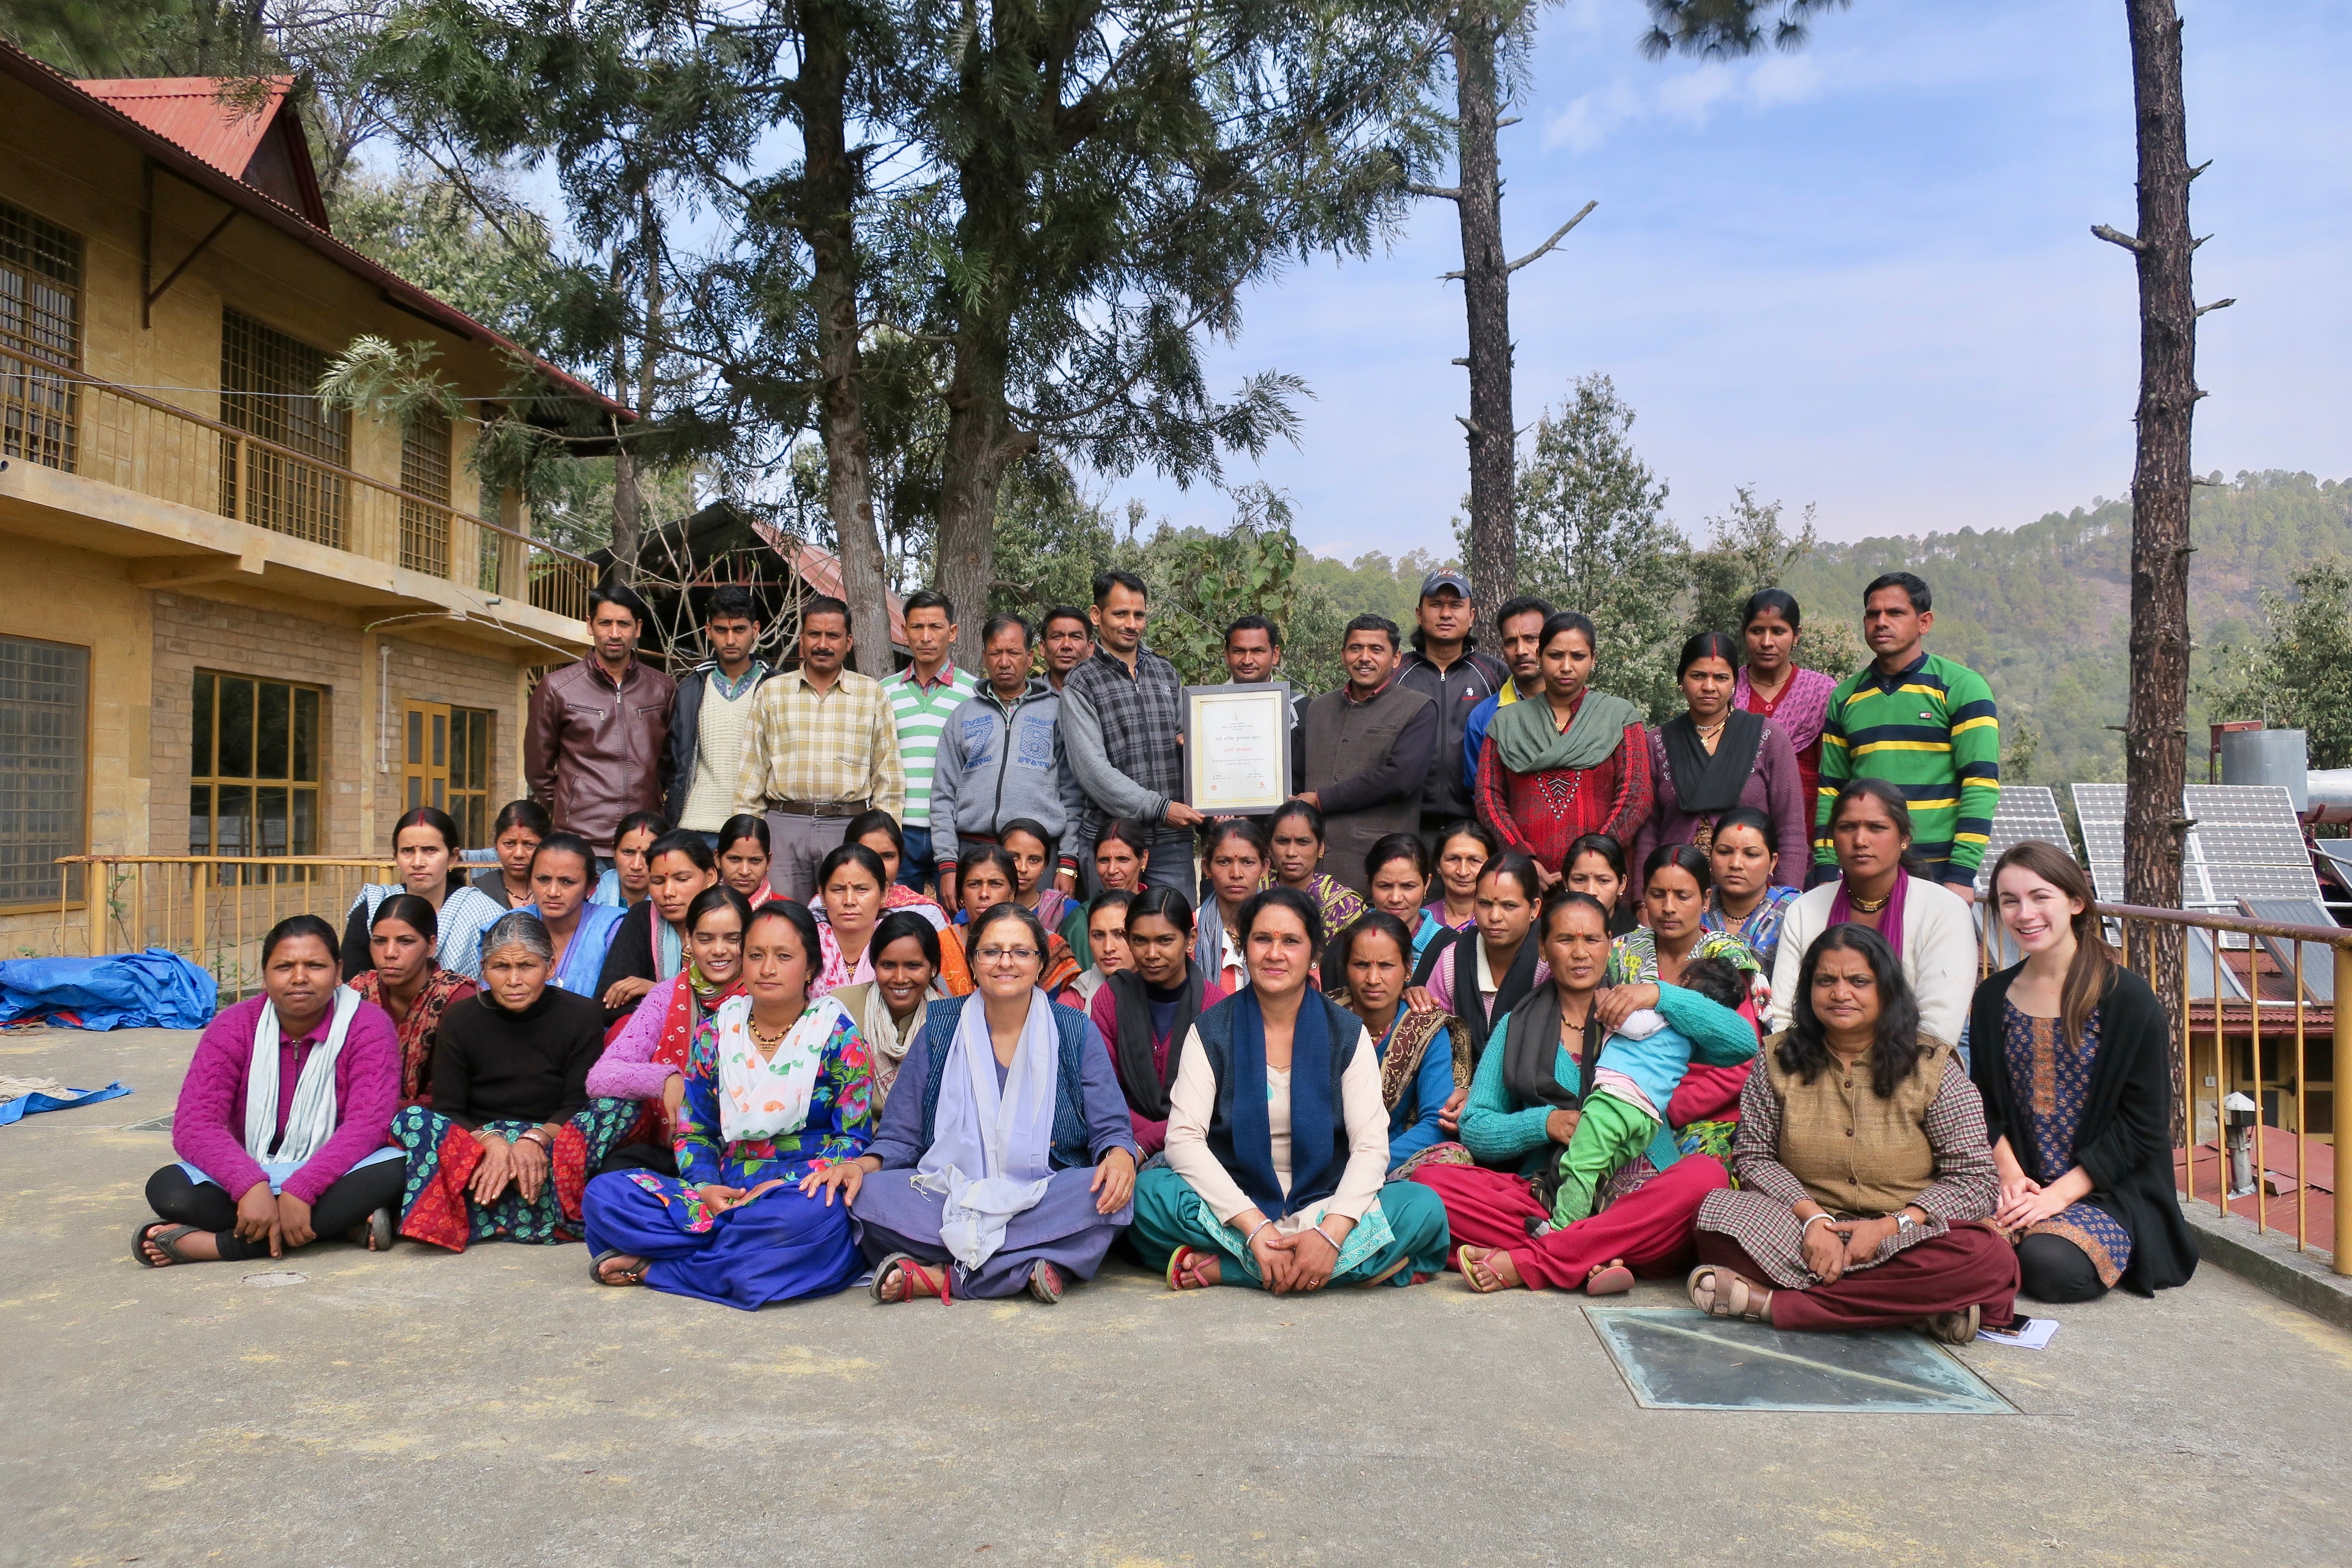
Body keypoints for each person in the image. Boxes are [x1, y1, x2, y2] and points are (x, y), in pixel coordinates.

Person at [1690, 923, 2018, 1340]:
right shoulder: (1777, 1059)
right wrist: (1814, 1222)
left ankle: (1775, 1305)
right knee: (1716, 1217)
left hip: (1905, 1234)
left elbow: (1975, 1179)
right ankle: (1913, 1311)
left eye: (1859, 981)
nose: (1840, 993)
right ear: (1809, 990)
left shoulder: (1931, 1066)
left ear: (1887, 990)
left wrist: (1888, 1226)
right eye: (1826, 980)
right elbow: (1754, 1157)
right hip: (1801, 1229)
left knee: (1988, 1257)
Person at [1129, 888, 1452, 1292]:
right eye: (1263, 939)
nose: (1275, 953)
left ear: (1314, 954)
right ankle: (1325, 1267)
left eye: (1291, 941)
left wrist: (1330, 1235)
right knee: (1148, 1197)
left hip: (1325, 1202)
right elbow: (1183, 1141)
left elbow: (1371, 1146)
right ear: (1244, 948)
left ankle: (1224, 1270)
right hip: (1237, 1204)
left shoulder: (1347, 1034)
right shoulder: (1211, 1032)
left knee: (1424, 1210)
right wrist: (1254, 1227)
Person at [1427, 890, 1743, 1294]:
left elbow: (1739, 1045)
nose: (1580, 953)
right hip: (1550, 1194)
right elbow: (1476, 1127)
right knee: (1434, 1183)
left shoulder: (1648, 1014)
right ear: (1543, 948)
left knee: (1705, 1175)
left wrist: (1661, 994)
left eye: (1592, 940)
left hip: (1639, 1199)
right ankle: (1588, 1254)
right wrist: (1547, 1123)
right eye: (1565, 940)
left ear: (1609, 945)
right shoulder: (1514, 1027)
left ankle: (1538, 1257)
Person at [822, 902, 1139, 1304]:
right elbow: (899, 1136)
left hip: (1044, 1189)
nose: (1005, 962)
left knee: (1108, 1195)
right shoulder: (939, 1025)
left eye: (1021, 952)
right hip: (950, 1192)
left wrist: (1120, 1155)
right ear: (973, 962)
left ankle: (943, 1277)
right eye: (991, 951)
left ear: (1041, 964)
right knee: (867, 1195)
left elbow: (1111, 1128)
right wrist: (857, 1167)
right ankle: (1026, 1266)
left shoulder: (1075, 1029)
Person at [580, 902, 876, 1307]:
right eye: (756, 955)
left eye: (783, 957)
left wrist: (783, 1187)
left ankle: (660, 1267)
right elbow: (695, 1130)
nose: (767, 968)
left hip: (796, 1194)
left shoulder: (838, 1037)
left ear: (810, 968)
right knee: (604, 1196)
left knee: (810, 1221)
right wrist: (704, 1187)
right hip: (724, 1193)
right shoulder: (715, 1034)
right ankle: (734, 1259)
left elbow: (853, 1139)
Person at [1972, 842, 2197, 1301]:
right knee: (1936, 1236)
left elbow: (2143, 1127)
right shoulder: (1993, 996)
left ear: (2076, 902)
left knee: (2050, 1267)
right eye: (2010, 901)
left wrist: (2056, 1199)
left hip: (2108, 1192)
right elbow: (1983, 1103)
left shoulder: (2128, 1000)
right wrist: (2012, 1178)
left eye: (2040, 897)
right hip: (2019, 1184)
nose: (2024, 913)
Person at [135, 916, 402, 1266]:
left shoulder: (368, 1025)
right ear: (264, 975)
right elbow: (195, 1126)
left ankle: (218, 1246)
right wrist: (249, 1185)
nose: (300, 978)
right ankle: (341, 1226)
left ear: (338, 971)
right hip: (251, 1170)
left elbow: (367, 1125)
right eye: (285, 967)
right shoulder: (232, 1026)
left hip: (337, 1174)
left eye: (315, 965)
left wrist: (302, 1190)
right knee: (169, 1189)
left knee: (400, 1168)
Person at [386, 912, 639, 1250]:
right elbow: (449, 1107)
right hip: (479, 1143)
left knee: (618, 1107)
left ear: (550, 967)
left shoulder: (581, 1014)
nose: (514, 980)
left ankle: (477, 1215)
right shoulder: (460, 1018)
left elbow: (577, 1103)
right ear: (483, 969)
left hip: (550, 1141)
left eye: (527, 966)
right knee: (411, 1119)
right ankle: (531, 1217)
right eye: (501, 967)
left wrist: (533, 1140)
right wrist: (493, 1143)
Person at [1816, 572, 1999, 900]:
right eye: (1873, 614)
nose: (1881, 622)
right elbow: (1832, 790)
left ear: (1924, 622)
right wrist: (1827, 869)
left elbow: (1980, 784)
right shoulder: (1845, 698)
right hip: (1864, 872)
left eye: (1896, 613)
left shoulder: (1962, 687)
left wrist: (1961, 874)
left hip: (1939, 871)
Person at [1543, 954, 1757, 1229]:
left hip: (1617, 1101)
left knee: (1580, 1165)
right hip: (1647, 1119)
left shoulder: (1661, 1010)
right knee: (1600, 1169)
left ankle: (1561, 1232)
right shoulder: (1690, 1037)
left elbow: (1632, 1026)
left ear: (1686, 982)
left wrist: (1613, 1005)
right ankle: (1587, 1230)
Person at [1770, 778, 1977, 1047]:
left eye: (1877, 828)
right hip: (1814, 1065)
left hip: (1916, 1067)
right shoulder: (1804, 909)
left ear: (1904, 839)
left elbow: (1938, 1028)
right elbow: (1785, 1016)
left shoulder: (1945, 911)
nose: (1860, 840)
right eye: (1847, 828)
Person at [734, 594, 906, 902]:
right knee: (781, 920)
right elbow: (752, 773)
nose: (822, 644)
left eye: (833, 635)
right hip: (783, 827)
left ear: (849, 641)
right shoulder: (772, 693)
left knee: (846, 917)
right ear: (802, 639)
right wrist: (747, 839)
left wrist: (882, 840)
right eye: (814, 634)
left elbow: (888, 778)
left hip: (848, 828)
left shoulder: (871, 695)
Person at [585, 885, 753, 1176]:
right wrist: (666, 1079)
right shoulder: (667, 996)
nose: (718, 950)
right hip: (672, 1145)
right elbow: (600, 1078)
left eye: (732, 939)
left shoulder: (763, 995)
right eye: (705, 939)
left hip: (745, 1149)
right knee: (612, 1179)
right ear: (689, 939)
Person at [1474, 612, 1652, 880]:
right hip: (1525, 878)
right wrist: (1523, 859)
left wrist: (1594, 860)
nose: (1566, 667)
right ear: (1539, 656)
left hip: (1600, 879)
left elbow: (1635, 796)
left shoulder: (1619, 716)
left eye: (1578, 657)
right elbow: (1489, 799)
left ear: (1593, 659)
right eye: (1556, 656)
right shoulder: (1507, 722)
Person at [1058, 570, 1202, 897]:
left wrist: (1197, 746)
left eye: (1139, 615)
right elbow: (1092, 772)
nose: (1132, 624)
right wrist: (1161, 808)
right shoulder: (1081, 683)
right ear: (1097, 615)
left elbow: (1186, 737)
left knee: (1173, 937)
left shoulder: (1166, 671)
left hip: (1171, 845)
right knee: (1113, 937)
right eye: (1121, 614)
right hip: (1113, 846)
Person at [1634, 631, 1809, 898]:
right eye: (1698, 676)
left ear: (1735, 683)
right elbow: (1648, 832)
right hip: (1674, 897)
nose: (1709, 686)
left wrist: (1785, 901)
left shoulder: (1769, 737)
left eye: (1721, 677)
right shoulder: (1657, 742)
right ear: (1681, 680)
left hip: (1754, 898)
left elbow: (1791, 829)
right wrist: (1644, 901)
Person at [932, 613, 1084, 911]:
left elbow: (1073, 794)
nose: (1005, 662)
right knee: (973, 939)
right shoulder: (963, 716)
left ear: (1029, 657)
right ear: (984, 657)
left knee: (1035, 940)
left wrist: (1067, 863)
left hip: (1038, 856)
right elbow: (942, 796)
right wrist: (948, 864)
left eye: (1013, 653)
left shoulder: (1057, 713)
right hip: (973, 851)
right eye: (996, 653)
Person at [525, 582, 676, 864]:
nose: (615, 634)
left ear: (638, 628)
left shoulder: (662, 689)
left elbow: (669, 763)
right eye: (606, 623)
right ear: (590, 625)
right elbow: (539, 770)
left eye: (624, 624)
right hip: (580, 842)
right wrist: (570, 808)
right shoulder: (557, 688)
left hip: (645, 843)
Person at [1297, 614, 1438, 898]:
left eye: (1376, 650)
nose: (1364, 658)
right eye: (1355, 648)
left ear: (1396, 658)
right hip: (1311, 870)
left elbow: (1400, 778)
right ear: (1343, 655)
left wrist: (1323, 800)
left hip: (1378, 871)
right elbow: (1296, 774)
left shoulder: (1418, 708)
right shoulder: (1319, 709)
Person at [1090, 887, 1231, 1158]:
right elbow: (1103, 1095)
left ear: (1191, 939)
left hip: (1199, 1145)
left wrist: (1149, 1141)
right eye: (1140, 941)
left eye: (1165, 941)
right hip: (1119, 1139)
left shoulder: (1217, 1008)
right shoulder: (1110, 1000)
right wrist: (1134, 1145)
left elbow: (1219, 1108)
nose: (1151, 954)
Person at [1331, 912, 1454, 1173]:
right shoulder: (1323, 1016)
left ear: (1408, 968)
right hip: (1322, 1160)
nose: (1373, 979)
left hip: (1390, 1160)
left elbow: (1436, 1122)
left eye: (1386, 966)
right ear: (1345, 967)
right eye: (1361, 965)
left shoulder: (1426, 1027)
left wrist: (1366, 1166)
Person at [1394, 569, 1508, 842]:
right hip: (1407, 824)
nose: (1446, 614)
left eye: (1456, 606)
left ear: (1472, 616)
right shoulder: (1396, 673)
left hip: (1477, 826)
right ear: (1420, 615)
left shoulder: (1496, 674)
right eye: (1436, 605)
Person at [1417, 850, 1550, 1080]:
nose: (1494, 916)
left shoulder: (1548, 960)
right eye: (1485, 904)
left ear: (1535, 909)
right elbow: (1434, 1042)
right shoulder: (1453, 958)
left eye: (1509, 906)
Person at [881, 589, 981, 893]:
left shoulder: (974, 693)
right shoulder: (884, 693)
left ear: (952, 633)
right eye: (917, 627)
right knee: (897, 916)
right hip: (900, 829)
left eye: (935, 627)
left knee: (956, 916)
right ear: (903, 631)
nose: (926, 637)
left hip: (955, 829)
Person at [338, 806, 504, 984]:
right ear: (396, 857)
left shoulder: (482, 912)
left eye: (430, 850)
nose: (417, 863)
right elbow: (353, 984)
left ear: (453, 857)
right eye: (408, 851)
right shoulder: (373, 908)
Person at [666, 584, 775, 841]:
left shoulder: (776, 688)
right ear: (708, 631)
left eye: (739, 629)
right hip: (694, 824)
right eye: (721, 630)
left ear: (755, 629)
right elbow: (673, 761)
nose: (730, 640)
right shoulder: (691, 689)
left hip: (752, 827)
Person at [347, 893, 478, 1106]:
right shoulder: (358, 992)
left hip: (435, 1121)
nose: (389, 953)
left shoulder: (457, 998)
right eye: (379, 942)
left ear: (431, 945)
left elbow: (452, 1091)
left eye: (405, 942)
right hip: (357, 1115)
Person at [1604, 844, 1764, 995]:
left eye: (1683, 896)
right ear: (1644, 895)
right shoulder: (1619, 952)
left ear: (1706, 900)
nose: (1668, 908)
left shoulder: (1729, 957)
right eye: (1658, 895)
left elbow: (1741, 1024)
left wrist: (1661, 997)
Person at [827, 911, 948, 1113]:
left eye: (913, 966)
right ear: (874, 966)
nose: (900, 978)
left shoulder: (950, 1018)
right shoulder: (840, 1009)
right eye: (888, 965)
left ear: (933, 968)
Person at [594, 828, 719, 1018]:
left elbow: (731, 1005)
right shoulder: (642, 917)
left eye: (682, 879)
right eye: (658, 881)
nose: (668, 892)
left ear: (710, 877)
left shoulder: (731, 923)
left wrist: (656, 991)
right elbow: (609, 1003)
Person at [1733, 589, 1838, 812]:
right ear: (1744, 633)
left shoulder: (1820, 692)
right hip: (1736, 828)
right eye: (1757, 631)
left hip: (1805, 819)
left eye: (1779, 631)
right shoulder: (1727, 688)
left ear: (1797, 635)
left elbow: (1833, 771)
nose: (1767, 642)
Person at [1458, 595, 1552, 811]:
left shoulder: (1583, 708)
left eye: (1531, 639)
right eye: (1511, 642)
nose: (1521, 651)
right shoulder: (1484, 718)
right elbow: (1479, 793)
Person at [1701, 805, 1803, 984]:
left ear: (1773, 862)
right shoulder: (1694, 905)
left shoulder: (1795, 912)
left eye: (1751, 854)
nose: (1736, 864)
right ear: (1711, 855)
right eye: (1724, 852)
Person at [517, 832, 627, 996]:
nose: (553, 892)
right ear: (530, 879)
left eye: (567, 882)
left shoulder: (613, 929)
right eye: (543, 879)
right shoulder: (512, 926)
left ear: (591, 886)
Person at [1265, 800, 1368, 941]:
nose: (1291, 852)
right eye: (1283, 841)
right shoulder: (1252, 889)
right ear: (1270, 848)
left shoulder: (1345, 908)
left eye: (1303, 842)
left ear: (1321, 848)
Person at [1060, 818, 1150, 971]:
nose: (1112, 870)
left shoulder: (1160, 912)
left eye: (1123, 859)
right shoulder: (1081, 921)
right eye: (1104, 861)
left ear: (1144, 859)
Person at [836, 810, 952, 929]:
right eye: (868, 854)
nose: (879, 866)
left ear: (900, 860)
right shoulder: (824, 909)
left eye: (888, 856)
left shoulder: (926, 914)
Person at [1194, 819, 1269, 993]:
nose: (1236, 874)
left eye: (1248, 862)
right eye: (1224, 862)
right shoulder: (1190, 930)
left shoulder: (1285, 927)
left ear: (1265, 867)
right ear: (1207, 867)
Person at [1364, 832, 1448, 979]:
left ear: (1427, 884)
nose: (1396, 898)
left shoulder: (1448, 949)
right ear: (1370, 883)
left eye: (1408, 886)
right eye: (1385, 886)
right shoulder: (1348, 942)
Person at [812, 842, 890, 997]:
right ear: (822, 895)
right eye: (838, 890)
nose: (849, 901)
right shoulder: (806, 944)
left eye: (862, 889)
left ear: (884, 893)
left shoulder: (897, 943)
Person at [999, 818, 1077, 934]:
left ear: (1045, 865)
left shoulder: (1067, 910)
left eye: (1034, 860)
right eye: (1014, 857)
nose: (1023, 868)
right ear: (999, 859)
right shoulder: (982, 907)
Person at [1061, 889, 1135, 1010]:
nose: (1108, 948)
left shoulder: (1166, 992)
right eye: (1099, 935)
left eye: (1119, 935)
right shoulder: (1078, 997)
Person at [472, 799, 549, 909]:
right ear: (496, 845)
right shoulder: (480, 894)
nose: (518, 854)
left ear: (546, 846)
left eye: (529, 845)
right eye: (509, 844)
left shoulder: (557, 894)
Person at [1426, 820, 1496, 934]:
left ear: (1491, 866)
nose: (1463, 872)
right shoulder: (1422, 919)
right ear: (1438, 865)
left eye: (1474, 860)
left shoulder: (1499, 921)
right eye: (1454, 859)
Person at [1565, 832, 1637, 938]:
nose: (1590, 891)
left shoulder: (1640, 941)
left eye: (1604, 881)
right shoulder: (1544, 934)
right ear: (1566, 882)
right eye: (1579, 880)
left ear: (1622, 884)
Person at [589, 810, 665, 908]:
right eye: (628, 852)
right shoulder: (599, 892)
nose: (636, 866)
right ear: (614, 852)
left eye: (648, 854)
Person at [714, 814, 782, 908]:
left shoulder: (786, 913)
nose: (744, 872)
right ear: (718, 859)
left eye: (755, 860)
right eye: (735, 859)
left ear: (769, 861)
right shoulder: (701, 908)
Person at [1038, 604, 1094, 694]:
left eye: (1076, 637)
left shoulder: (1105, 694)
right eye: (1057, 637)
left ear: (1090, 648)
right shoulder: (1027, 696)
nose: (1066, 645)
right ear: (1043, 647)